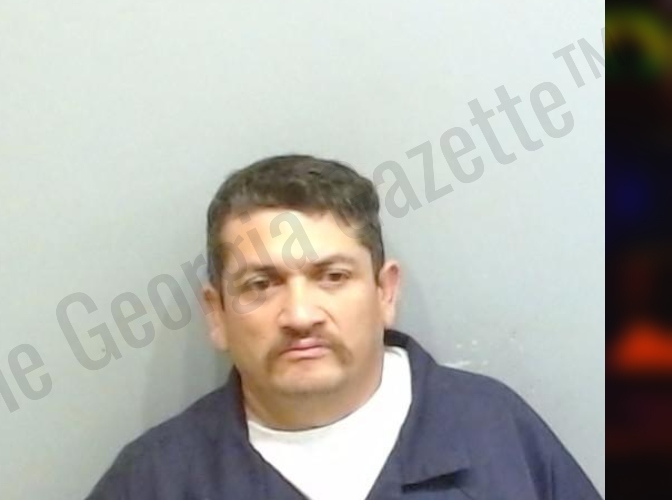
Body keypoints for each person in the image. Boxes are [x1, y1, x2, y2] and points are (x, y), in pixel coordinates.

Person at [86, 154, 602, 499]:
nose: (300, 315)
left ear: (385, 292)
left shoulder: (496, 435)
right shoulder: (153, 481)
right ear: (216, 314)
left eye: (332, 276)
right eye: (262, 284)